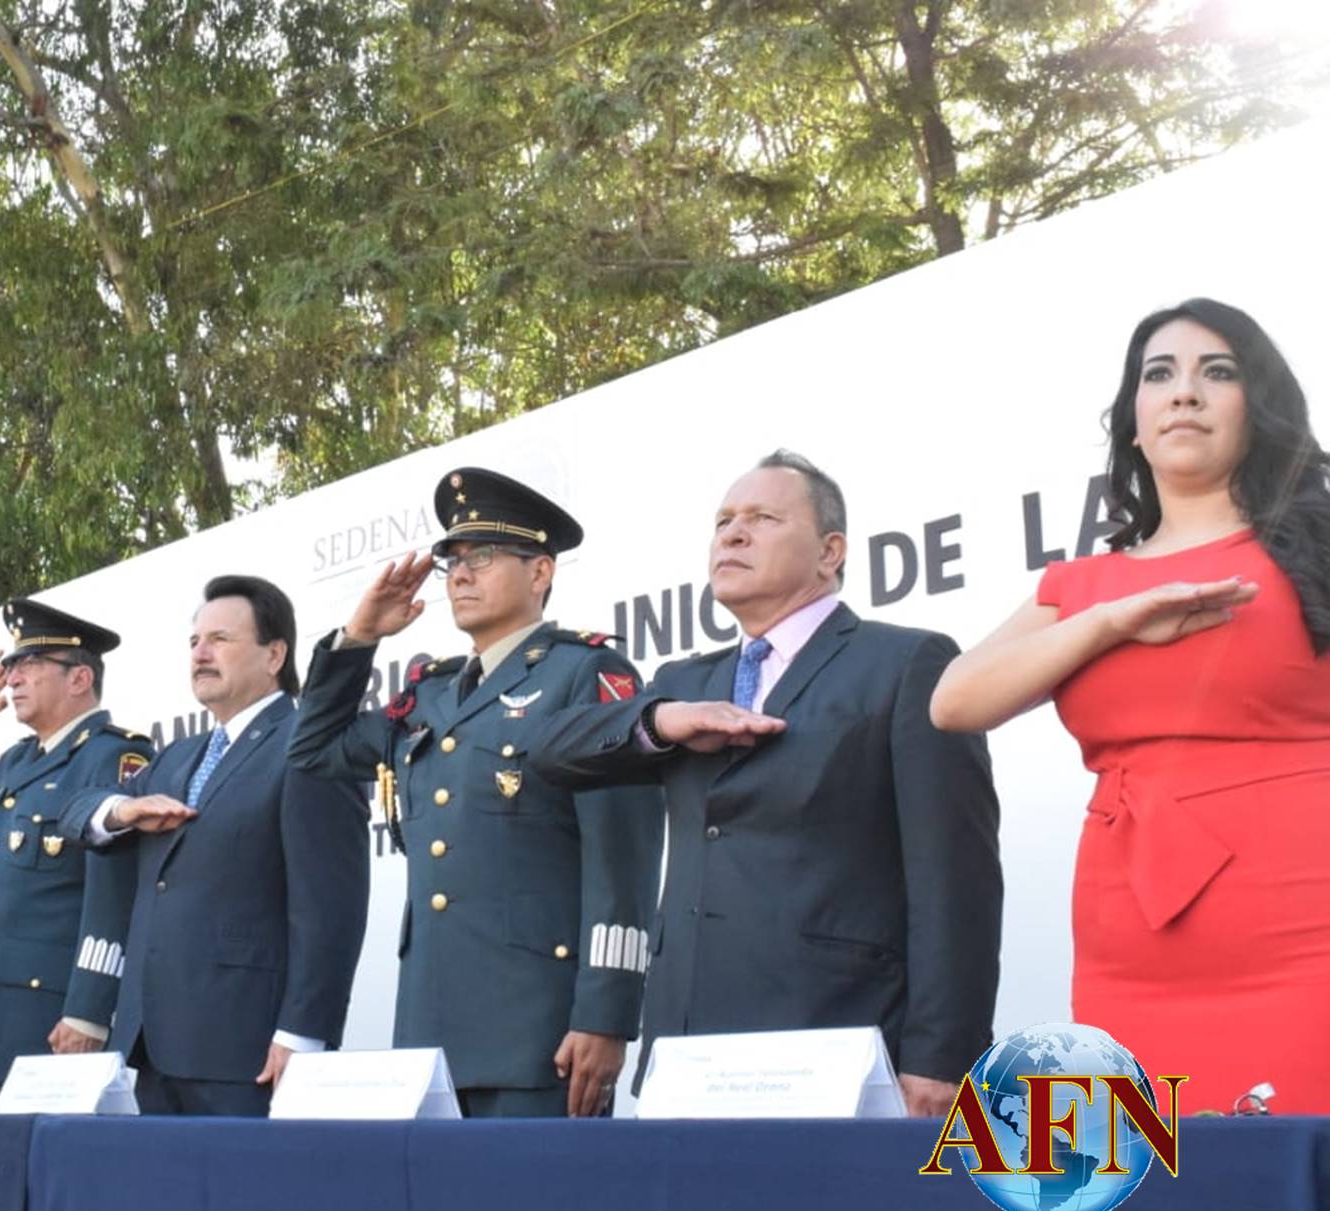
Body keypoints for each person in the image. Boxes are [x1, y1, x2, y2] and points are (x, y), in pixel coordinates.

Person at [931, 298, 1330, 1113]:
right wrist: (1112, 622)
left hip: (1305, 938)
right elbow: (953, 700)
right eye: (1160, 375)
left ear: (1258, 407)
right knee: (1151, 1208)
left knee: (1294, 1196)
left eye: (1218, 372)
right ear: (1134, 424)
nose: (1185, 391)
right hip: (1128, 951)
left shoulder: (1317, 549)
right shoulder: (1084, 587)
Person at [524, 452, 1003, 1115]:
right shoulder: (684, 684)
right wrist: (663, 720)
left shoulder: (907, 663)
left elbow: (957, 878)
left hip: (839, 1046)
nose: (733, 534)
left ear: (830, 551)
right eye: (723, 521)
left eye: (763, 517)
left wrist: (942, 1056)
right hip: (688, 1055)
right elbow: (545, 753)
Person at [290, 469, 666, 1117]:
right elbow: (312, 750)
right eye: (453, 562)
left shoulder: (585, 674)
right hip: (429, 1040)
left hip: (540, 1035)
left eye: (483, 557)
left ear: (541, 571)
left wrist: (606, 1014)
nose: (460, 574)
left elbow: (623, 856)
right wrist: (360, 636)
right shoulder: (429, 693)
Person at [57, 575, 369, 1116]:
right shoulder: (177, 755)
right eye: (194, 642)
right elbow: (76, 814)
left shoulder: (307, 746)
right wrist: (122, 810)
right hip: (148, 1045)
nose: (200, 654)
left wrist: (304, 1034)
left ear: (275, 655)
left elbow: (330, 908)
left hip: (246, 1050)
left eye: (219, 640)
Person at [0, 599, 152, 1112]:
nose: (11, 680)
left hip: (54, 1023)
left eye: (29, 666)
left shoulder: (114, 756)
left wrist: (90, 1012)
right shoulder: (18, 760)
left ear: (79, 679)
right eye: (11, 667)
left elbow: (114, 894)